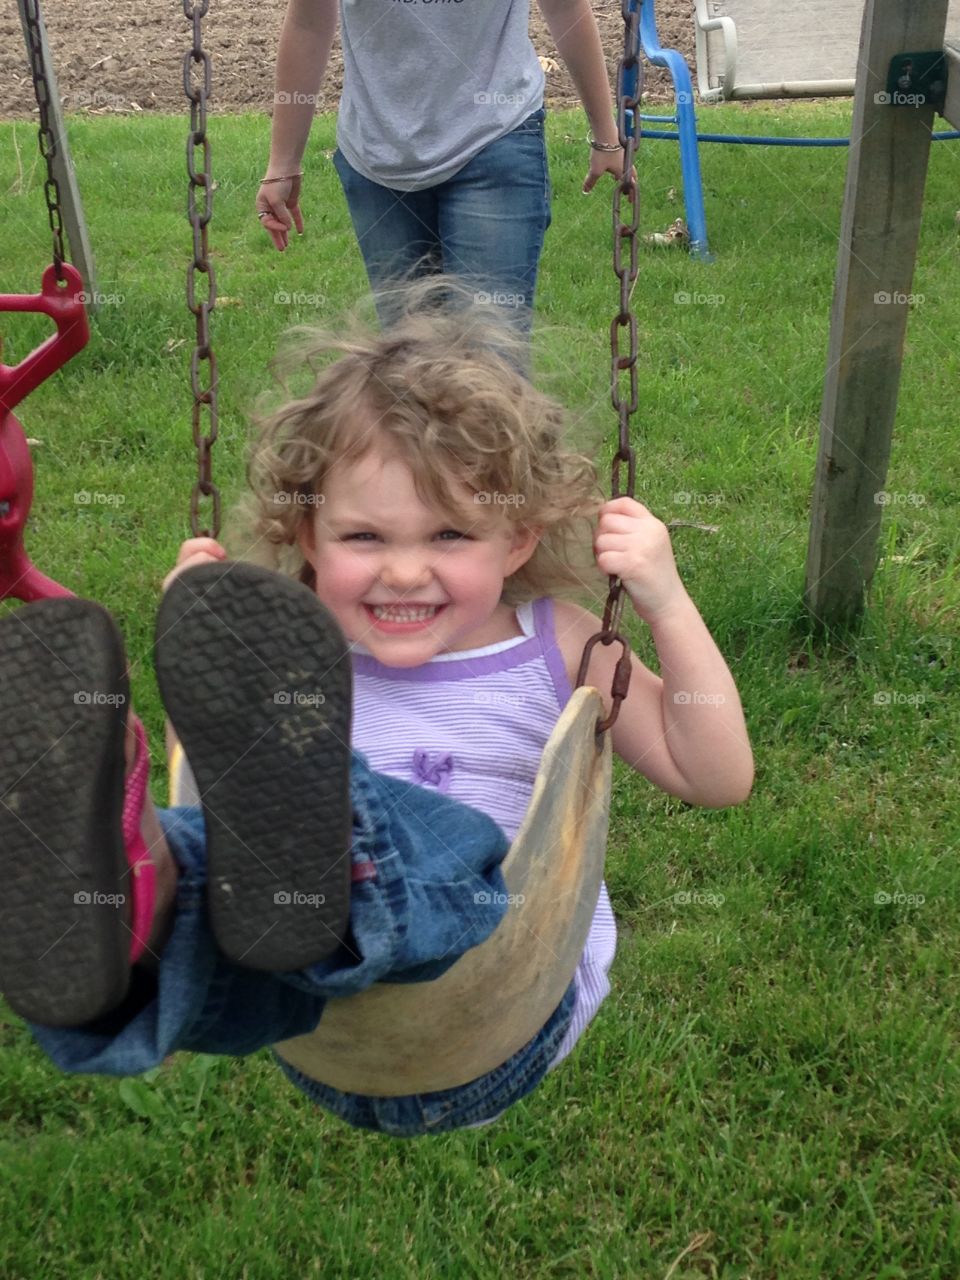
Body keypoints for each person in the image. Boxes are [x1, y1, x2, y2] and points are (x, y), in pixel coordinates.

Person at [0, 290, 753, 1137]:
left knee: (421, 843)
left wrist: (666, 600)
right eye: (364, 538)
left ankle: (314, 854)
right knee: (220, 870)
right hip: (317, 1030)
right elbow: (207, 785)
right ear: (308, 537)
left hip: (493, 1012)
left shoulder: (562, 644)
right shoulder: (293, 651)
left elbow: (716, 775)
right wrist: (206, 659)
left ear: (517, 540)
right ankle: (130, 904)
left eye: (448, 536)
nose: (403, 572)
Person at [256, 0, 628, 324]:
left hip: (494, 141)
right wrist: (282, 163)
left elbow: (565, 7)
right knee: (409, 359)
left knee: (488, 360)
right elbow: (308, 23)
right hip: (377, 158)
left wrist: (606, 135)